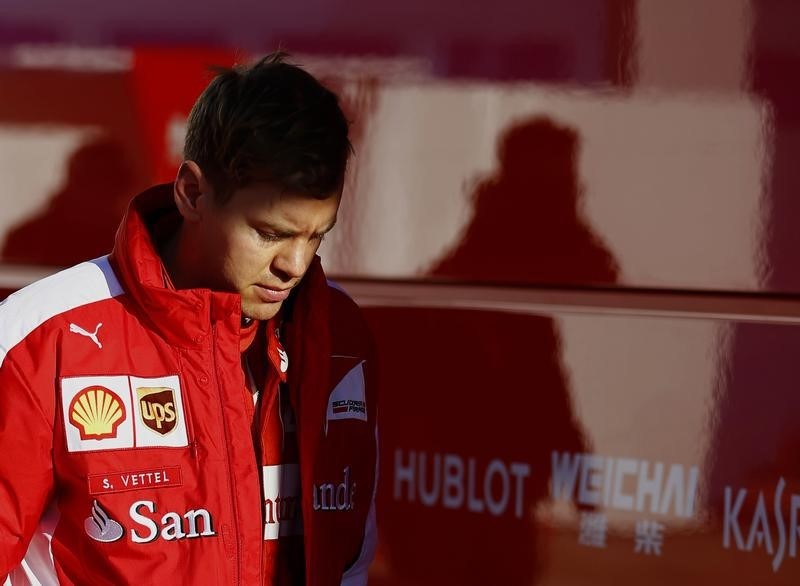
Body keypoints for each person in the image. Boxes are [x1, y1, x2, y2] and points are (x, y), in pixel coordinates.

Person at [0, 52, 378, 586]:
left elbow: (350, 562)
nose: (294, 264)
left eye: (317, 234)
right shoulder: (41, 337)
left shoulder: (341, 334)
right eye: (269, 233)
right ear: (193, 193)